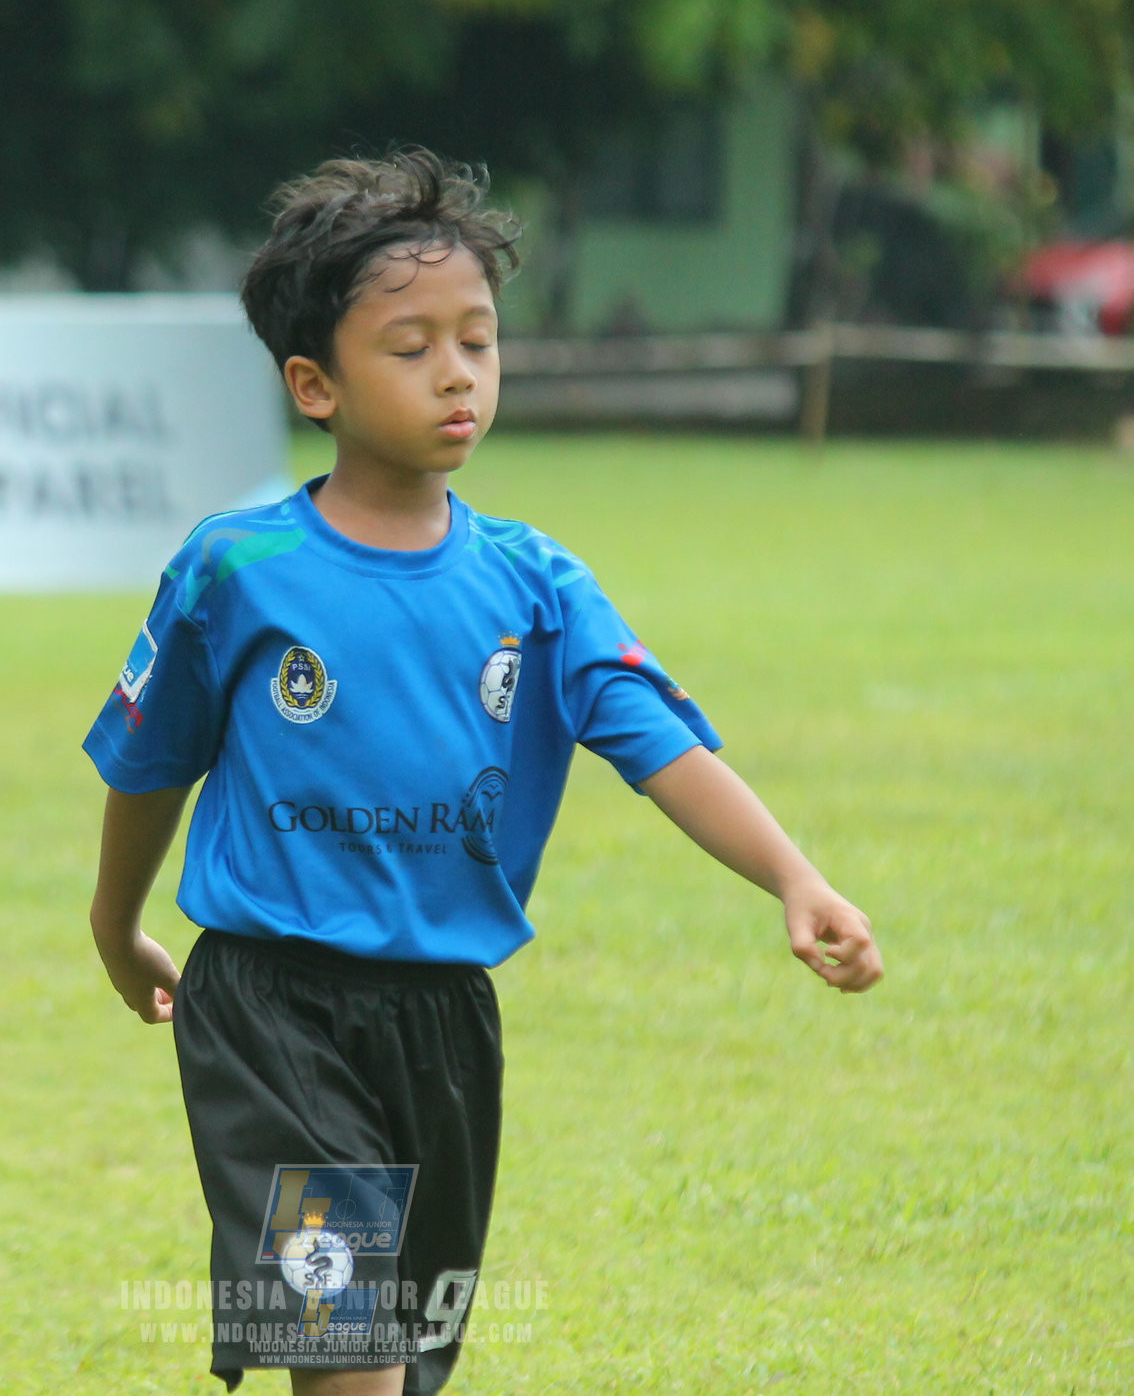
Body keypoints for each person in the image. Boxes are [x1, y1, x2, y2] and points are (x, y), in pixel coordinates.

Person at [83, 148, 884, 1396]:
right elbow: (150, 757)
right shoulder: (236, 570)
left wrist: (793, 874)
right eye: (409, 347)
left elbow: (655, 738)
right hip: (269, 1010)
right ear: (315, 384)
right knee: (342, 1347)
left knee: (400, 1363)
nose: (456, 371)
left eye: (478, 339)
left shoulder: (536, 584)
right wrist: (113, 921)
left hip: (446, 1022)